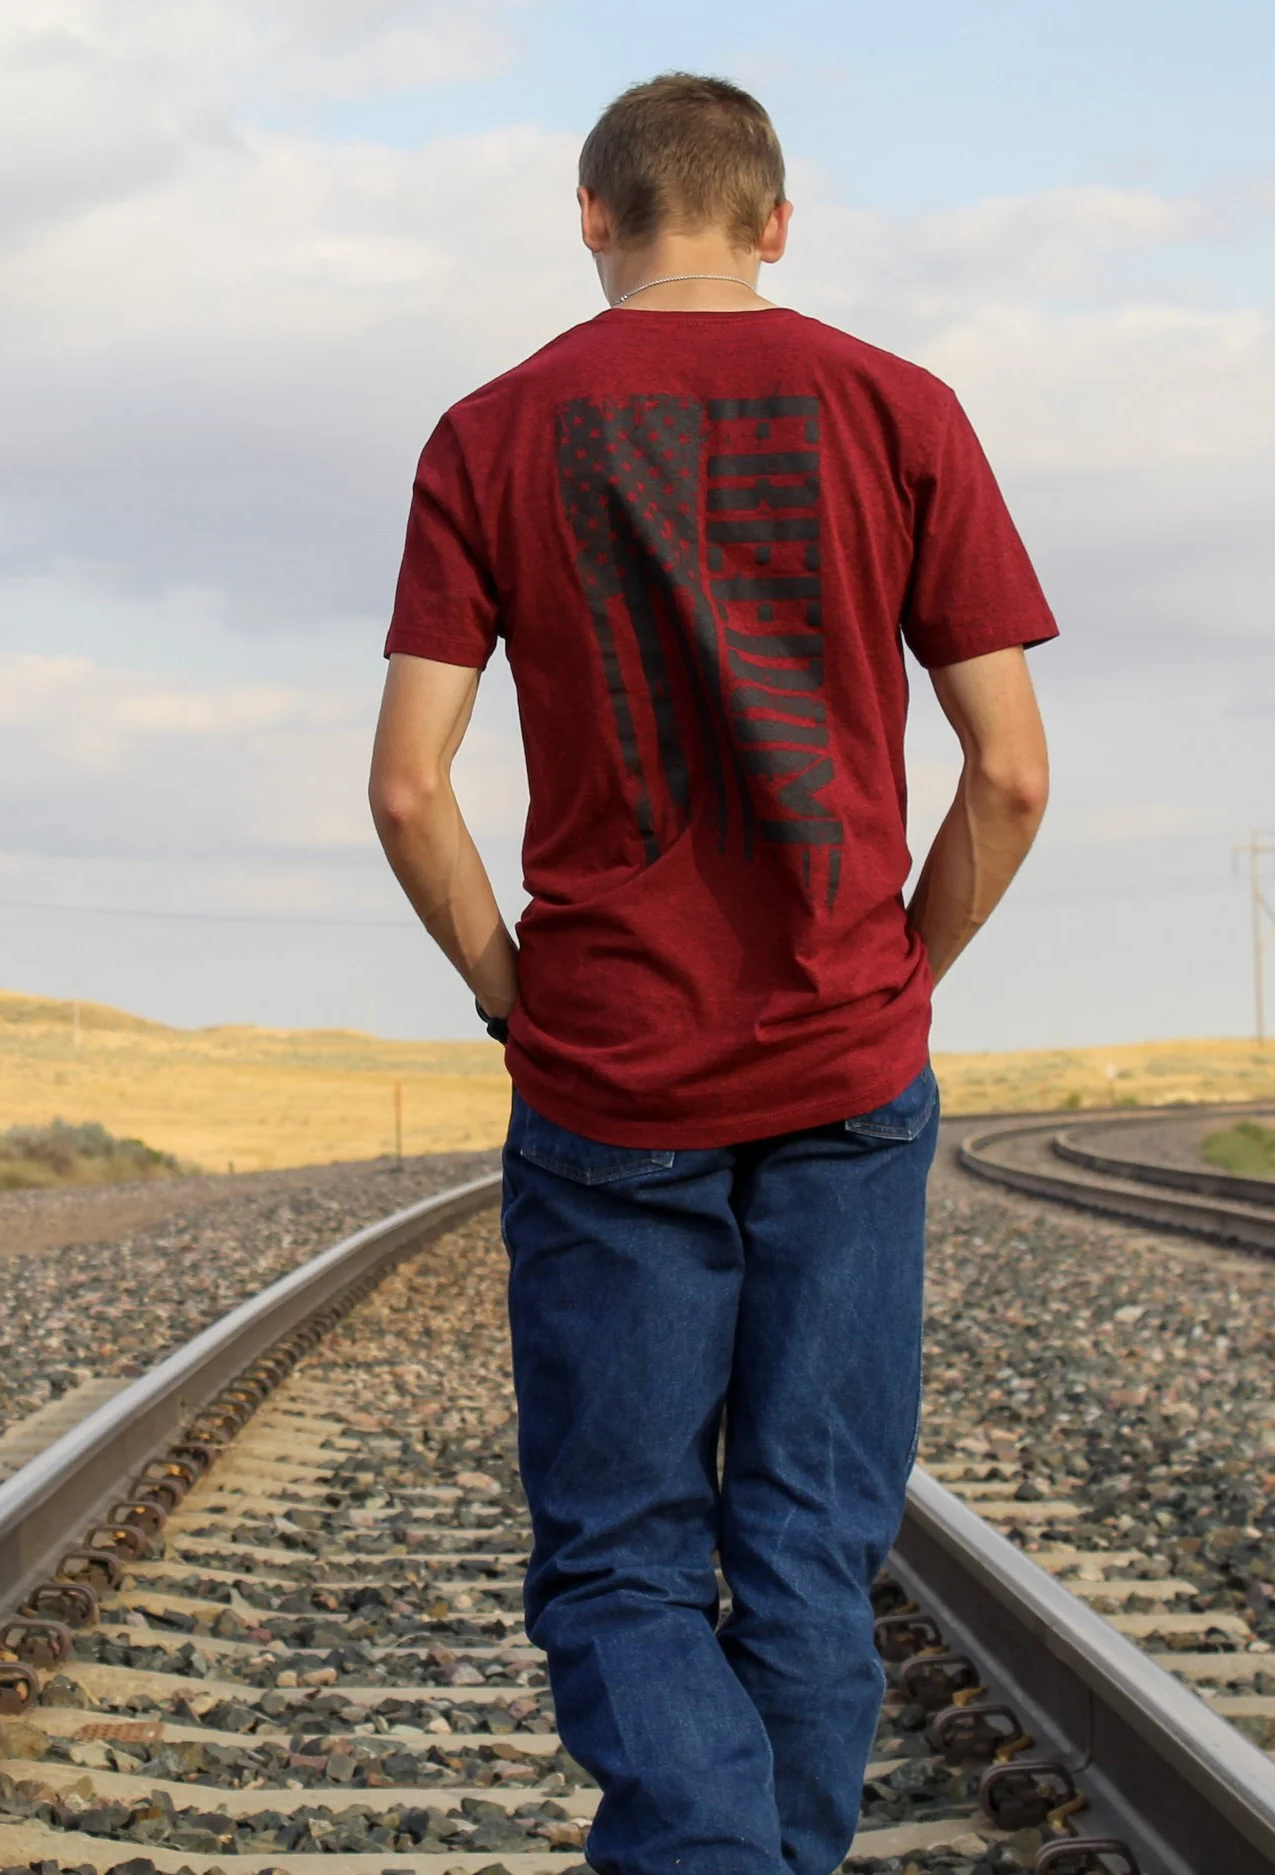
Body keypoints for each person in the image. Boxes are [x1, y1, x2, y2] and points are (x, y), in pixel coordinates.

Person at [367, 71, 1053, 1875]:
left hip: (608, 1077)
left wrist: (515, 994)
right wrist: (901, 967)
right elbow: (1013, 772)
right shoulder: (904, 410)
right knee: (814, 1546)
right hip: (845, 1063)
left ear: (591, 216)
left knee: (624, 1554)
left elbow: (407, 783)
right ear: (774, 224)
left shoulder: (490, 432)